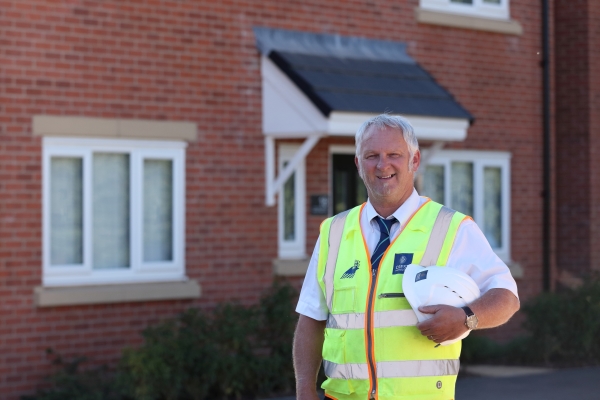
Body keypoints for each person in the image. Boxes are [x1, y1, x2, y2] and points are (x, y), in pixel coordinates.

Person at [293, 114, 520, 400]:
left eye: (394, 155)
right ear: (358, 164)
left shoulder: (451, 227)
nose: (382, 164)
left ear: (414, 161)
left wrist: (467, 318)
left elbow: (507, 297)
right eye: (371, 155)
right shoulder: (333, 232)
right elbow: (311, 318)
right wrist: (304, 390)